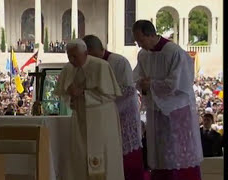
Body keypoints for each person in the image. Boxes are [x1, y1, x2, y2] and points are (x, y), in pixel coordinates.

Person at [132, 20, 203, 180]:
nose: (139, 45)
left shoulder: (174, 52)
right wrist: (142, 85)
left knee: (178, 152)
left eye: (141, 40)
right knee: (160, 151)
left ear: (151, 34)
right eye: (137, 41)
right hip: (156, 111)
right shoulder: (143, 54)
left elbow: (178, 84)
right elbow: (137, 77)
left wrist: (151, 84)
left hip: (177, 110)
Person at [54, 39, 124, 180]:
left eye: (75, 56)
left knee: (105, 156)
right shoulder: (69, 68)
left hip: (101, 118)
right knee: (80, 155)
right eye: (69, 56)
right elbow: (64, 93)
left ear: (85, 53)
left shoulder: (101, 66)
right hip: (80, 118)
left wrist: (83, 93)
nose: (71, 60)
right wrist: (70, 93)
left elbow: (110, 94)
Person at [83, 35, 144, 180]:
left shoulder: (119, 62)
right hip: (101, 118)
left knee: (127, 160)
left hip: (124, 116)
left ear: (93, 50)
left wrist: (107, 106)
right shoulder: (89, 65)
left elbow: (128, 92)